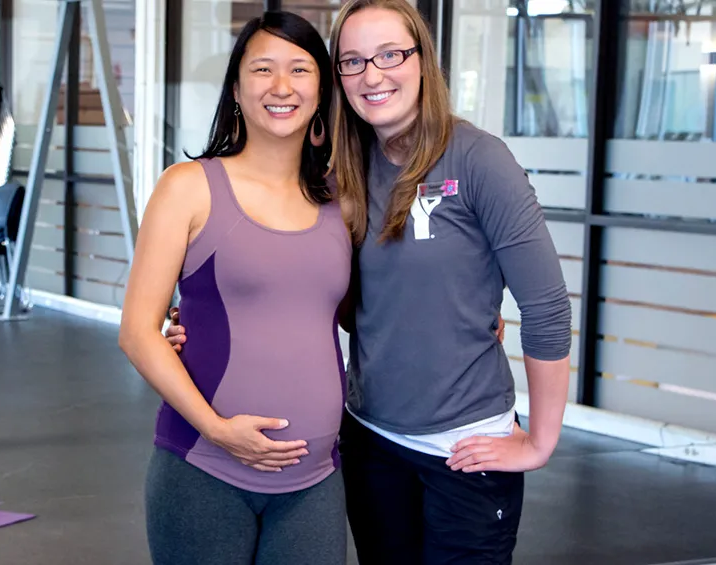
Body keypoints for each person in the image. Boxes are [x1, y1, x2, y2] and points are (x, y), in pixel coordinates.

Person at [167, 1, 572, 563]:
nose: (373, 75)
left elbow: (548, 308)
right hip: (369, 442)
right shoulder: (343, 172)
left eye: (390, 55)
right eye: (353, 61)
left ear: (422, 61)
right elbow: (333, 300)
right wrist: (203, 326)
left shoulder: (481, 160)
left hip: (465, 450)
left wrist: (542, 440)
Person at [119, 12, 356, 565]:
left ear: (321, 88)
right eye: (263, 69)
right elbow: (137, 332)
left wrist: (465, 315)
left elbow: (355, 314)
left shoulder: (341, 201)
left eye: (299, 69)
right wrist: (220, 431)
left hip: (316, 477)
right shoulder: (189, 188)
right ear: (236, 88)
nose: (281, 86)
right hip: (204, 466)